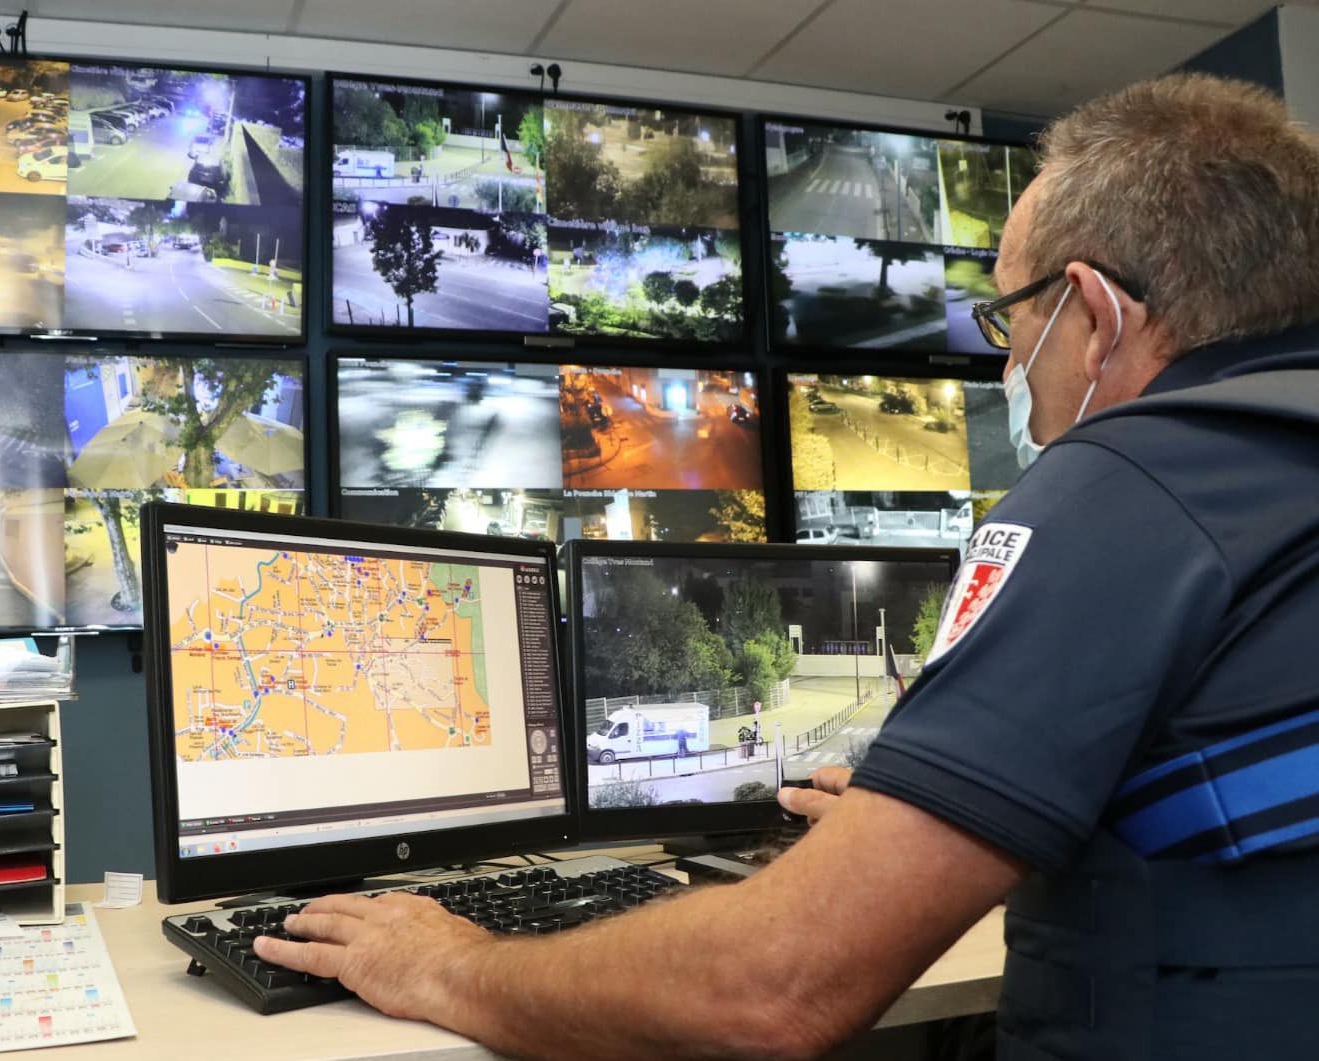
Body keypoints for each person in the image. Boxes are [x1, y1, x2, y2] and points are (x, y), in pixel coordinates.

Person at [255, 74, 1319, 1059]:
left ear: (1093, 314)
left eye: (1011, 317)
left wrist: (448, 964)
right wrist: (933, 833)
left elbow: (774, 988)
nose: (1005, 361)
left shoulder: (1122, 487)